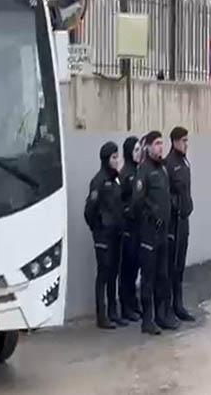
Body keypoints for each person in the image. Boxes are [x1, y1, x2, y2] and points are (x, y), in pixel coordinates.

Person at [131, 131, 178, 335]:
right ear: (148, 147)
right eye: (157, 143)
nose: (160, 147)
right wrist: (151, 214)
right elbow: (137, 202)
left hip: (163, 233)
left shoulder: (163, 169)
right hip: (149, 233)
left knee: (162, 275)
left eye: (161, 143)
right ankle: (147, 320)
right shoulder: (144, 171)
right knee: (148, 277)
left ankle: (161, 316)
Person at [84, 141, 127, 329]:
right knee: (104, 273)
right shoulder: (98, 181)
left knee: (113, 274)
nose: (117, 161)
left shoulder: (116, 180)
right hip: (104, 236)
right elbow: (89, 210)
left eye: (118, 157)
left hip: (116, 234)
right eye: (114, 157)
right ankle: (102, 316)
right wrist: (98, 228)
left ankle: (113, 312)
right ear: (106, 159)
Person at [165, 126, 195, 322]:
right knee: (171, 266)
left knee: (180, 266)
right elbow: (166, 194)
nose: (186, 144)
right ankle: (168, 307)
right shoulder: (169, 164)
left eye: (187, 140)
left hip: (184, 220)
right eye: (183, 141)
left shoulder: (184, 162)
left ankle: (179, 304)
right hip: (173, 222)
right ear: (175, 141)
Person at [118, 136, 142, 322]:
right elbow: (119, 200)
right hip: (128, 229)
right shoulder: (124, 174)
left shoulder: (138, 172)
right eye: (136, 150)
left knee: (135, 268)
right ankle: (125, 307)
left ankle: (133, 303)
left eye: (140, 149)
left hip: (138, 227)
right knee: (126, 269)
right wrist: (127, 212)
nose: (139, 153)